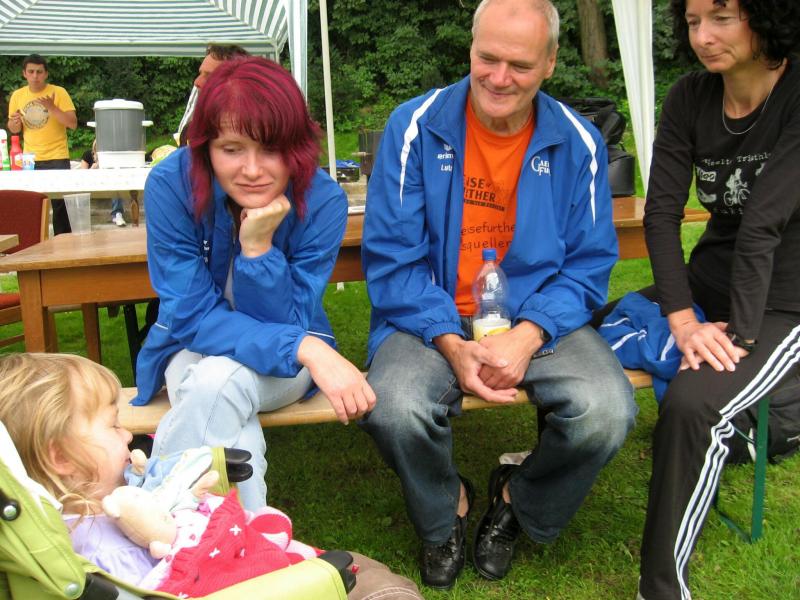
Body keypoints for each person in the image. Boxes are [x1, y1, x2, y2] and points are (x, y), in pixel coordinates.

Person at [359, 0, 637, 590]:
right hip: (427, 315)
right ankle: (446, 512)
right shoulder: (414, 126)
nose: (499, 78)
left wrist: (528, 334)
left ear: (550, 63)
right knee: (393, 406)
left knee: (607, 412)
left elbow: (589, 266)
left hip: (536, 317)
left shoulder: (579, 142)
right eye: (488, 58)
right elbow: (393, 262)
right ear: (470, 47)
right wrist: (451, 342)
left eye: (520, 65)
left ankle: (517, 499)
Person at [133, 57, 376, 513]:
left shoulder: (322, 201)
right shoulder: (171, 185)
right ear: (205, 147)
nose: (251, 169)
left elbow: (286, 319)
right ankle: (247, 534)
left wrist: (258, 249)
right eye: (231, 149)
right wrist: (308, 348)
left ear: (297, 147)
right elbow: (191, 317)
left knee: (214, 383)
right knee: (216, 384)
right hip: (197, 348)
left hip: (284, 362)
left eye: (270, 149)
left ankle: (157, 516)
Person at [0, 353, 422, 599]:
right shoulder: (99, 553)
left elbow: (163, 498)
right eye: (112, 427)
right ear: (61, 457)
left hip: (246, 558)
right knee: (370, 580)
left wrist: (207, 469)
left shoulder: (94, 509)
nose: (127, 434)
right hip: (253, 584)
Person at [631, 1, 800, 598]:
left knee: (692, 403)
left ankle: (659, 587)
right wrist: (682, 319)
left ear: (766, 15)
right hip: (708, 283)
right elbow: (661, 213)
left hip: (783, 299)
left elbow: (763, 224)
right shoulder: (690, 97)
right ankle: (534, 484)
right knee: (580, 334)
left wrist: (740, 338)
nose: (704, 36)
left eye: (722, 17)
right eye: (693, 20)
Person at [6, 53, 77, 235]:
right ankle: (33, 240)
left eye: (39, 72)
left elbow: (72, 123)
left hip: (57, 156)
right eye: (31, 72)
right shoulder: (18, 95)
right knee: (30, 203)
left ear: (46, 74)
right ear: (24, 73)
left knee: (61, 206)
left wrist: (52, 107)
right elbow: (14, 129)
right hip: (29, 158)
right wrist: (14, 123)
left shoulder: (58, 92)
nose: (35, 76)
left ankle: (64, 243)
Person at [176, 43, 250, 145]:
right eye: (200, 73)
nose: (196, 82)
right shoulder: (192, 131)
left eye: (209, 76)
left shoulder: (256, 132)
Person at [80, 139, 126, 226]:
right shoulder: (87, 155)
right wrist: (92, 170)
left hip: (108, 183)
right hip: (92, 184)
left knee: (116, 182)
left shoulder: (111, 157)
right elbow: (82, 176)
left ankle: (117, 214)